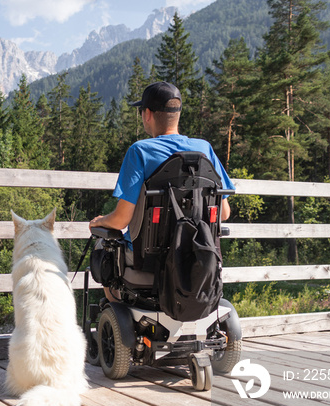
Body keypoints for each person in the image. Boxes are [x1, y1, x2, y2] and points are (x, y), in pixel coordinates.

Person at [89, 81, 234, 301]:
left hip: (148, 259)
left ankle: (116, 311)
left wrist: (100, 221)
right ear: (178, 114)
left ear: (147, 114)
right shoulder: (204, 149)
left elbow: (120, 221)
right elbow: (223, 214)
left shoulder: (140, 151)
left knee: (104, 246)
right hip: (198, 255)